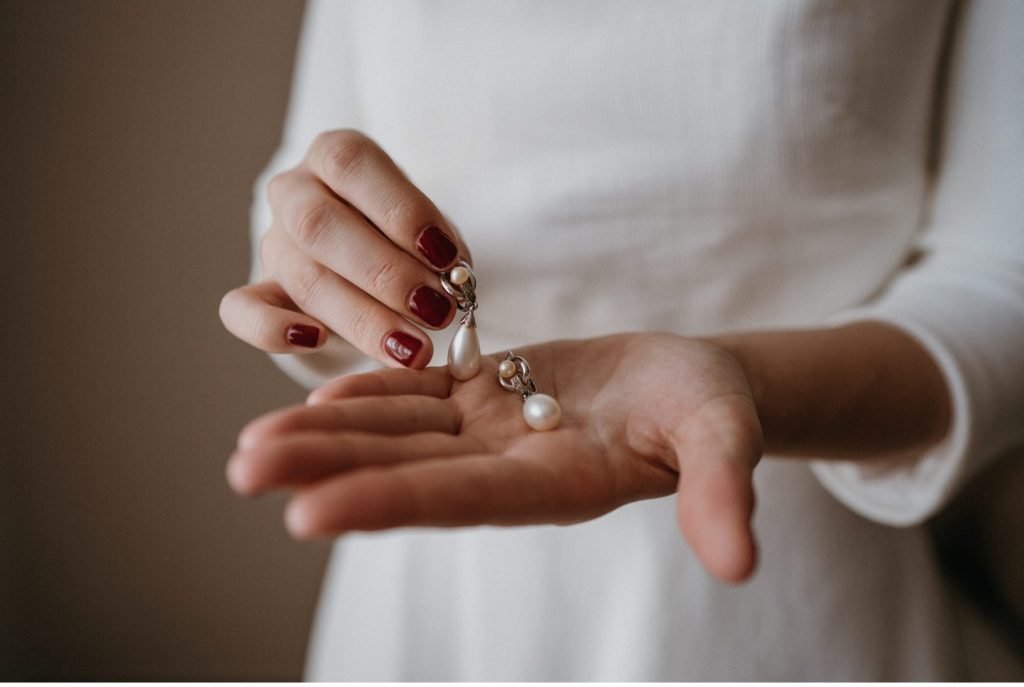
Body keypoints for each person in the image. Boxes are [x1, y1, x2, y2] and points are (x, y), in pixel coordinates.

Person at [218, 0, 1024, 680]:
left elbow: (1003, 278)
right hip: (436, 588)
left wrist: (746, 380)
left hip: (797, 600)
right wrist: (318, 275)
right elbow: (305, 190)